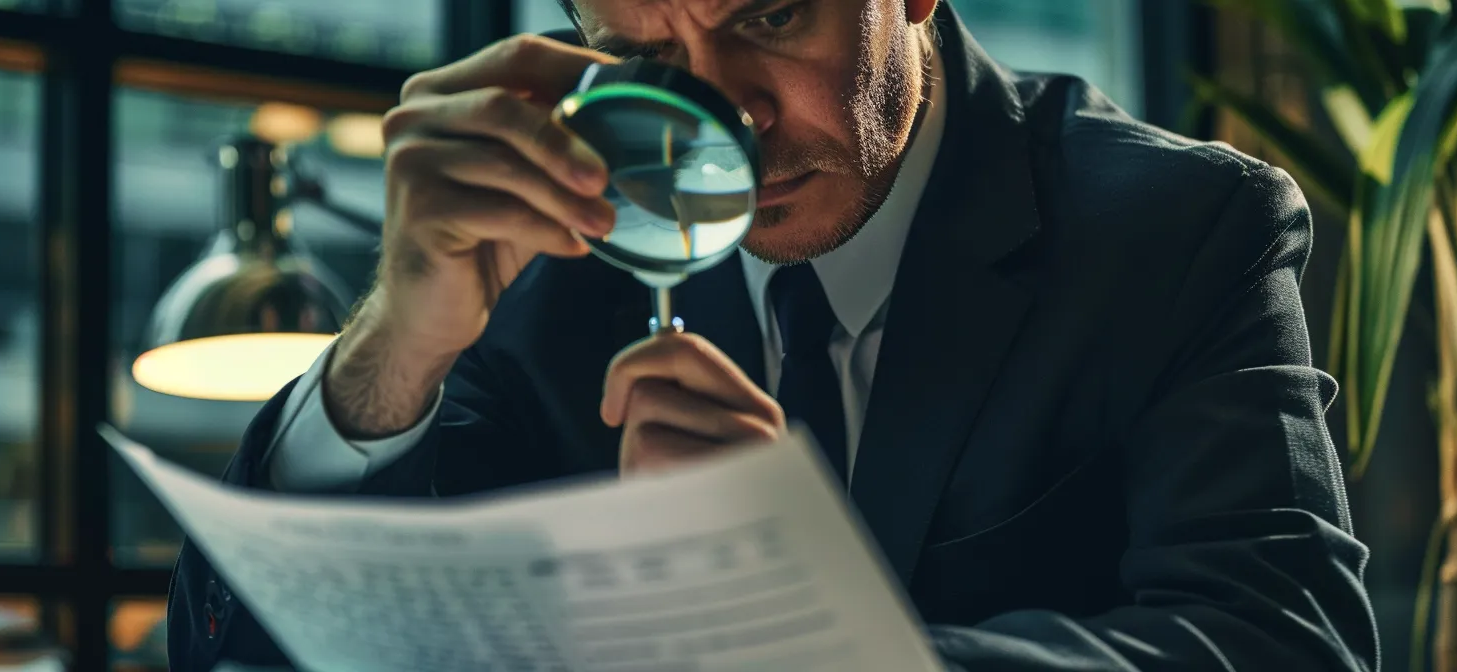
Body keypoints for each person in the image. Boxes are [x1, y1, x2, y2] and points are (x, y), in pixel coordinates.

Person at [169, 0, 1380, 669]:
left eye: (771, 17)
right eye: (644, 56)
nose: (720, 119)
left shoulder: (1176, 230)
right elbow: (238, 656)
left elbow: (1286, 646)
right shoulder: (548, 258)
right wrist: (398, 348)